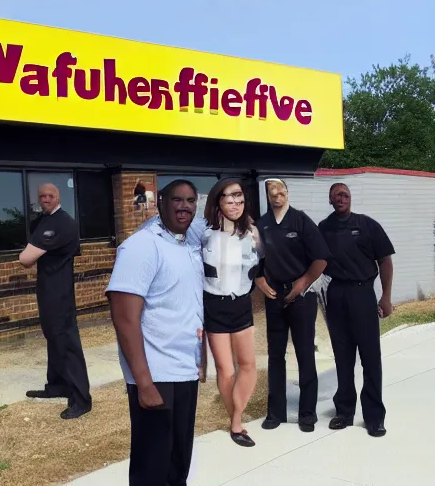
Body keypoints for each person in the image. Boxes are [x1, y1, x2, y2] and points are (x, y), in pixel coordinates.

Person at [106, 179, 206, 486]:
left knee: (178, 463)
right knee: (152, 466)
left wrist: (201, 360)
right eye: (177, 199)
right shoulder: (141, 246)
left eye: (190, 200)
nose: (184, 206)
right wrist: (144, 383)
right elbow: (124, 318)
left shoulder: (187, 243)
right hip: (156, 374)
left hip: (184, 369)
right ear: (160, 201)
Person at [318, 182, 395, 437]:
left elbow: (384, 260)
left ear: (350, 198)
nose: (341, 199)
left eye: (345, 195)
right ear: (330, 201)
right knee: (343, 356)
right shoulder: (324, 228)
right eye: (336, 196)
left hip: (363, 294)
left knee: (371, 357)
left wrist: (385, 297)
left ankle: (374, 416)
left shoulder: (367, 225)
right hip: (336, 294)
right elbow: (313, 259)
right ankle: (344, 411)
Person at [255, 178, 330, 433]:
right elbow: (256, 260)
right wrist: (259, 279)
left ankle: (307, 414)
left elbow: (321, 259)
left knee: (305, 353)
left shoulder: (301, 221)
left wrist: (302, 284)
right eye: (271, 191)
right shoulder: (261, 225)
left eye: (281, 190)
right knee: (276, 356)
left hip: (301, 297)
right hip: (274, 297)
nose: (277, 195)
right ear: (266, 194)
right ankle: (275, 413)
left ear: (287, 192)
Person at [19, 183, 92, 420]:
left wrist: (30, 251)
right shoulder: (46, 220)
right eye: (42, 196)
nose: (46, 199)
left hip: (59, 292)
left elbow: (26, 258)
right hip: (48, 289)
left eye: (50, 195)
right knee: (53, 337)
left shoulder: (61, 222)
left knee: (66, 340)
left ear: (58, 197)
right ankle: (58, 385)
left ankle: (82, 399)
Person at [202, 178, 263, 447]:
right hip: (214, 305)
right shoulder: (202, 233)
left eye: (239, 197)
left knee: (249, 366)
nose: (235, 203)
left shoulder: (252, 233)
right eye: (229, 198)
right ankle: (236, 424)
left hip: (241, 305)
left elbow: (262, 266)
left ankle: (235, 416)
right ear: (218, 201)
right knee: (225, 370)